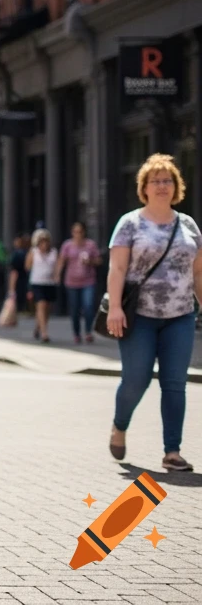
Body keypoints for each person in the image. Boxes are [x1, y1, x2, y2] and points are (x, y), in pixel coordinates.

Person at [105, 153, 200, 473]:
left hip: (180, 315)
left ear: (177, 187)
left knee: (175, 383)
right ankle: (120, 425)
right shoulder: (130, 223)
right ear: (144, 187)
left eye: (168, 180)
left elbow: (198, 273)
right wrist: (115, 307)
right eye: (155, 181)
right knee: (136, 380)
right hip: (139, 316)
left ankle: (172, 451)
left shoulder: (188, 225)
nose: (162, 186)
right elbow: (117, 269)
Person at [58, 220, 102, 344]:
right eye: (75, 231)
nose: (78, 234)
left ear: (84, 232)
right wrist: (56, 275)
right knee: (75, 309)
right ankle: (77, 333)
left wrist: (90, 262)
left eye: (80, 231)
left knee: (88, 306)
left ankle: (88, 331)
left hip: (88, 281)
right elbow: (61, 261)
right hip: (72, 282)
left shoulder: (90, 245)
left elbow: (99, 260)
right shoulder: (67, 245)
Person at [25, 228, 59, 343]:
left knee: (47, 309)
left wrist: (56, 276)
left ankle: (38, 327)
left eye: (46, 241)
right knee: (41, 305)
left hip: (50, 283)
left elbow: (57, 267)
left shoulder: (54, 252)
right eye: (42, 242)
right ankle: (45, 333)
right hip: (37, 282)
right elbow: (28, 266)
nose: (44, 244)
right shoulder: (33, 252)